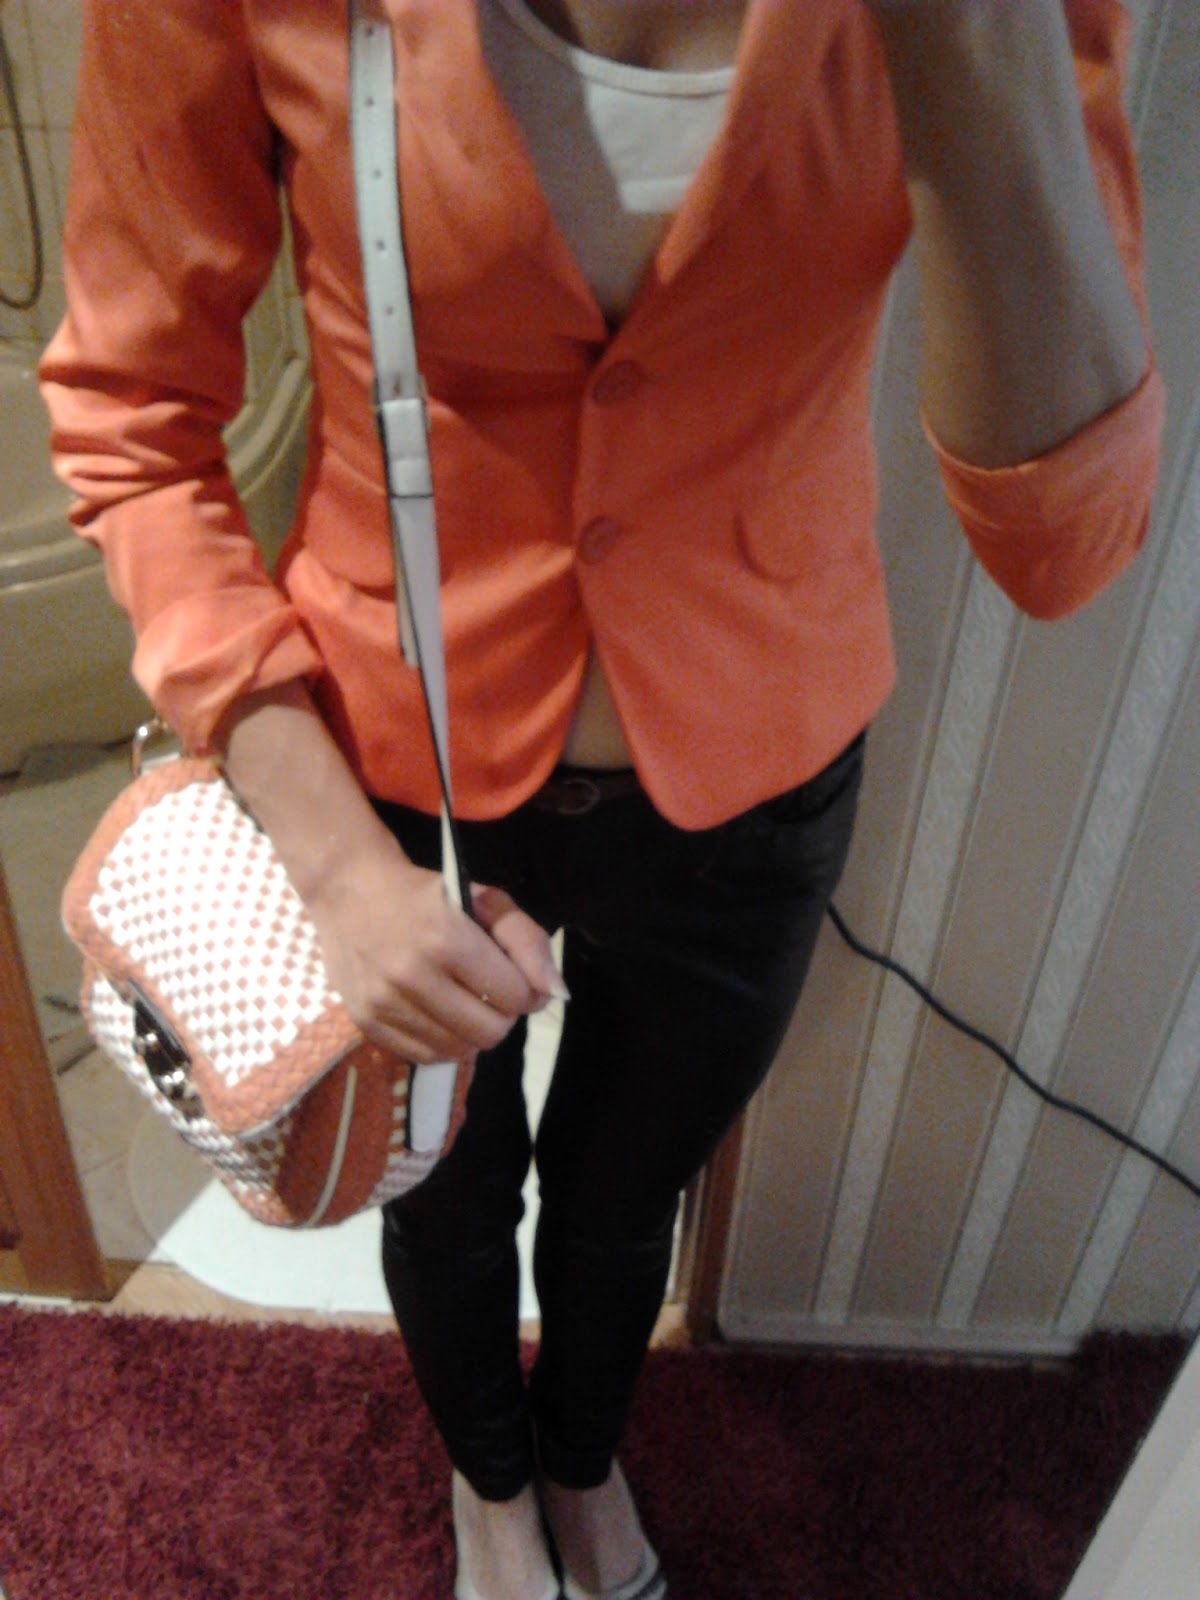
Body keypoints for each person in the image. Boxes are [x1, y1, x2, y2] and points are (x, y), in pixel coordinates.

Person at [41, 2, 1164, 1596]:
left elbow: (1064, 545)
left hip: (754, 769)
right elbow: (132, 421)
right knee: (446, 1199)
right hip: (394, 774)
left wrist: (978, 39)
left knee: (626, 1198)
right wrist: (336, 868)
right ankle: (489, 1486)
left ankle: (580, 1458)